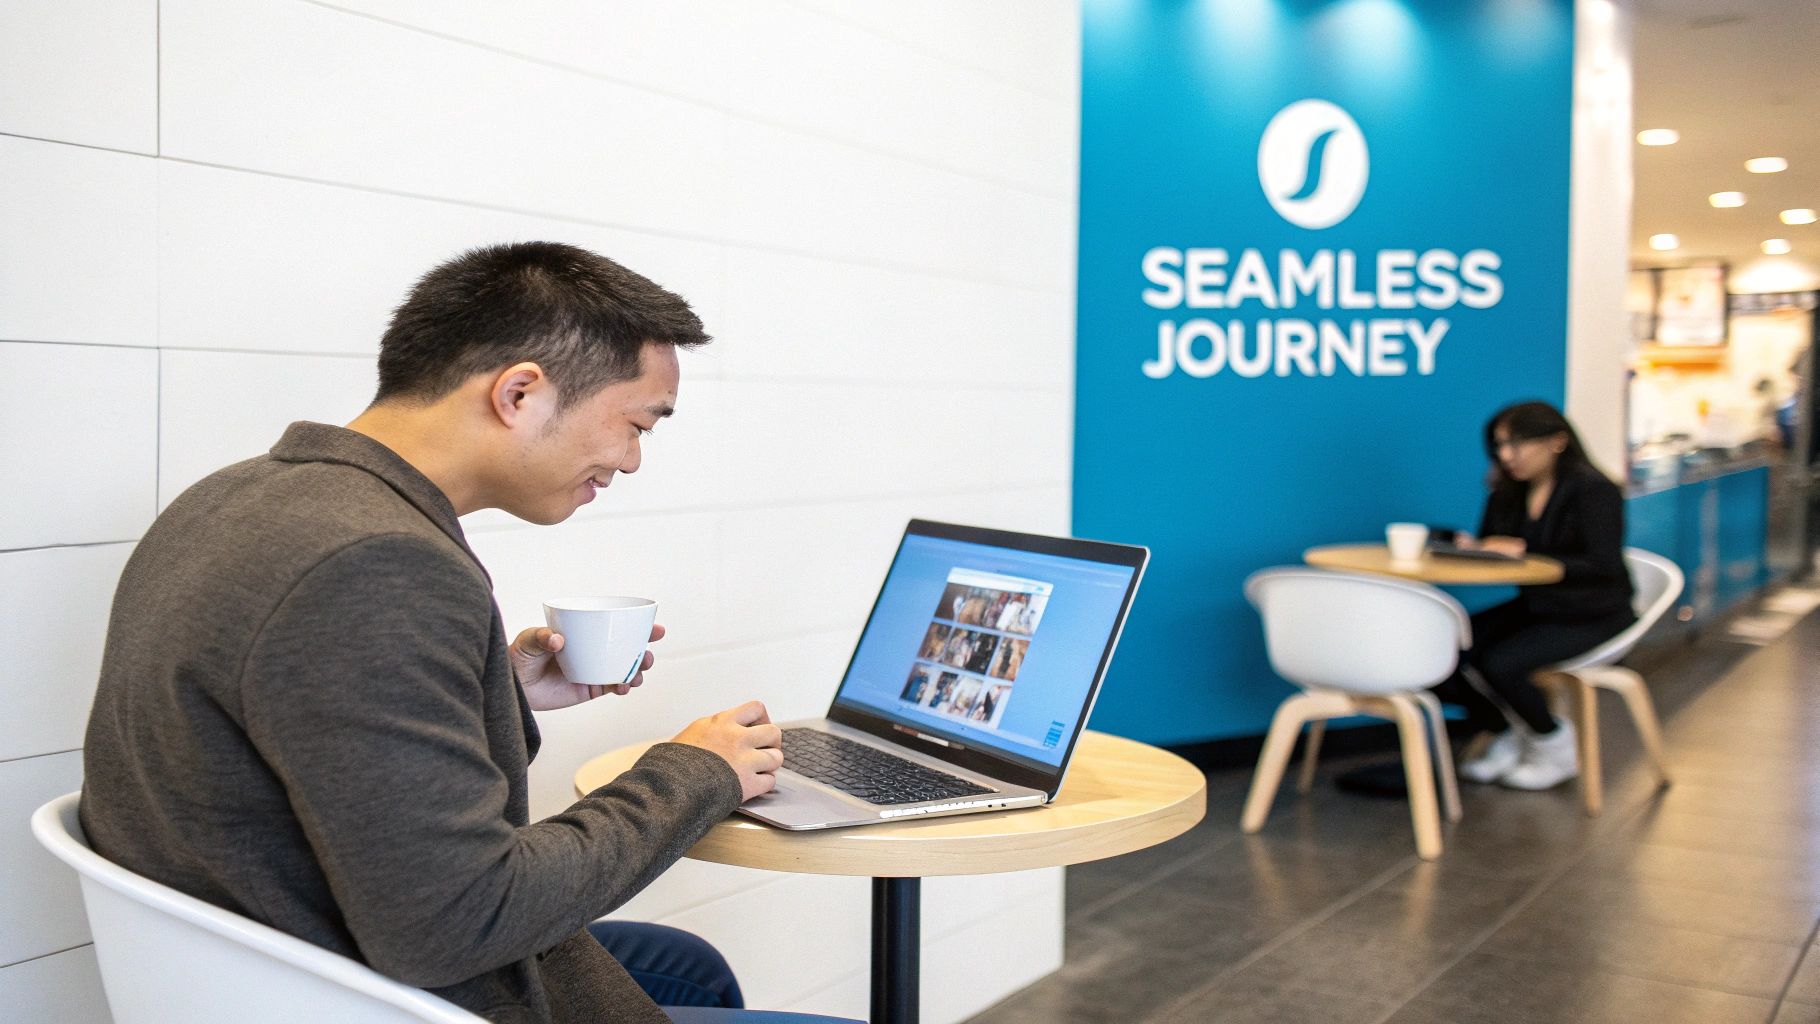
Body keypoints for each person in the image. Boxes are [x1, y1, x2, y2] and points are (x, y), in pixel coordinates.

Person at [80, 243, 793, 1024]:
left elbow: (309, 727)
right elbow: (457, 923)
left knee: (686, 968)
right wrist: (695, 773)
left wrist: (492, 685)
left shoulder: (233, 499)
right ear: (520, 392)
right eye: (636, 425)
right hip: (380, 991)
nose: (629, 461)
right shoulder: (374, 565)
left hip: (285, 952)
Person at [1442, 401, 1636, 791]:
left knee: (1500, 663)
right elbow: (1499, 546)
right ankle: (1511, 731)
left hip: (1595, 613)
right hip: (1539, 606)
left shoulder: (1594, 490)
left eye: (1516, 445)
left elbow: (1602, 565)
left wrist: (1529, 556)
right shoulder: (1509, 491)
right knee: (1446, 652)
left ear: (1557, 442)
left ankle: (1553, 743)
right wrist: (1476, 546)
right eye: (1499, 446)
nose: (1506, 456)